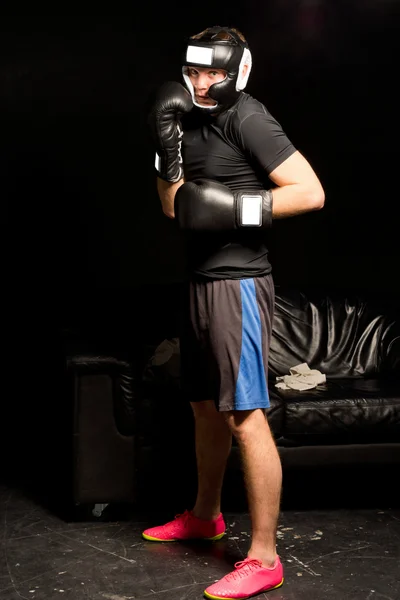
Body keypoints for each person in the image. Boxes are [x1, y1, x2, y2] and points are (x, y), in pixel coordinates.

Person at [144, 25, 325, 600]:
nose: (199, 83)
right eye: (192, 72)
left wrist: (237, 208)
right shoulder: (177, 116)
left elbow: (310, 190)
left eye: (211, 73)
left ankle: (265, 557)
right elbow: (173, 208)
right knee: (203, 407)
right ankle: (205, 516)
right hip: (199, 281)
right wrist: (167, 143)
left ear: (235, 74)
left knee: (244, 414)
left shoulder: (248, 117)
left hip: (240, 284)